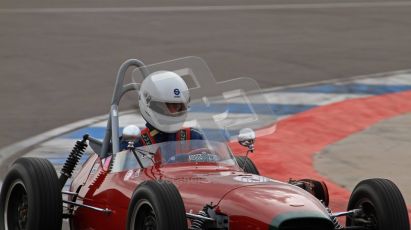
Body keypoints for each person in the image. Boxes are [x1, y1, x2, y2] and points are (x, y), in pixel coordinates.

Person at [120, 70, 203, 151]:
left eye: (177, 106)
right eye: (167, 106)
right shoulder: (134, 142)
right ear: (151, 105)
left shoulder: (193, 137)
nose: (173, 112)